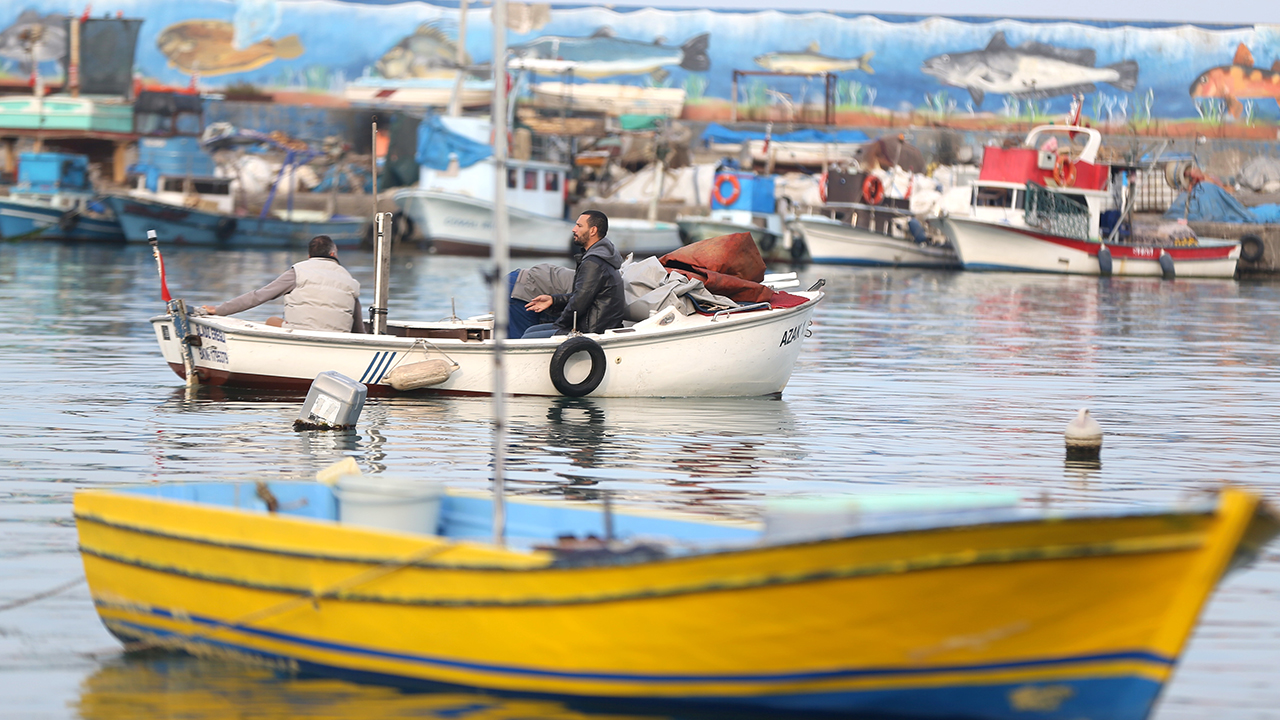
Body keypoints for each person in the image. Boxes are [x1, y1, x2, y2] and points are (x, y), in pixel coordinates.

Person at [201, 235, 365, 333]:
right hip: (338, 337)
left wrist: (220, 310)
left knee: (272, 320)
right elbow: (358, 327)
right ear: (333, 254)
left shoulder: (298, 271)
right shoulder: (349, 280)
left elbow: (258, 297)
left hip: (301, 334)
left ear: (309, 256)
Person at [521, 210, 625, 338]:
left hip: (592, 330)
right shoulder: (602, 256)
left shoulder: (594, 263)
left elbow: (579, 302)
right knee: (531, 330)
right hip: (593, 324)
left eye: (579, 226)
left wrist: (559, 327)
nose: (574, 229)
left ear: (593, 230)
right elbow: (582, 295)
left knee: (529, 337)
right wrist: (553, 300)